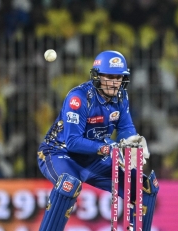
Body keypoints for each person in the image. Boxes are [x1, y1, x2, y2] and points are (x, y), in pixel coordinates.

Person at [37, 50, 159, 231]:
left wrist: (130, 143)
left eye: (119, 77)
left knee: (145, 187)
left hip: (94, 157)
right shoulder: (78, 98)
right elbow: (73, 142)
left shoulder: (121, 96)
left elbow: (125, 128)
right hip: (60, 153)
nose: (114, 82)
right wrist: (109, 148)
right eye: (109, 76)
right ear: (97, 76)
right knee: (68, 185)